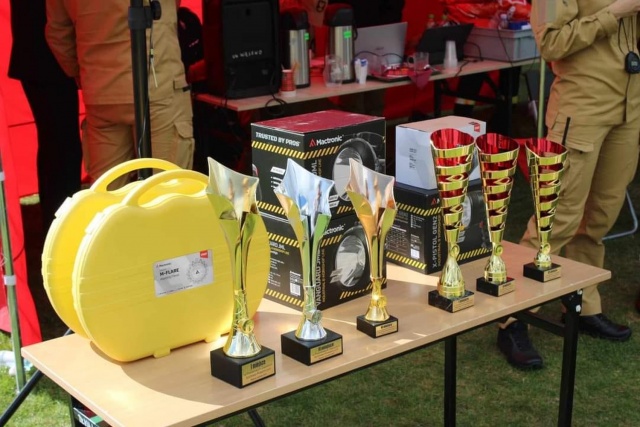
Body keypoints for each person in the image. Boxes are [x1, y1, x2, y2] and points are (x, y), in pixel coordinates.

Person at [497, 0, 640, 370]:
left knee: (600, 216)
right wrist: (615, 12)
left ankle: (583, 305)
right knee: (555, 218)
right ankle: (512, 318)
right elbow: (551, 44)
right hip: (582, 108)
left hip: (629, 107)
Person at [45, 0, 195, 189]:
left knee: (107, 196)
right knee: (166, 193)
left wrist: (84, 74)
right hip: (158, 87)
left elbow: (58, 33)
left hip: (102, 92)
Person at [8, 0, 83, 232]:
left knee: (58, 148)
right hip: (45, 57)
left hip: (42, 56)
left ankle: (58, 226)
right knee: (63, 150)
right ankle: (61, 228)